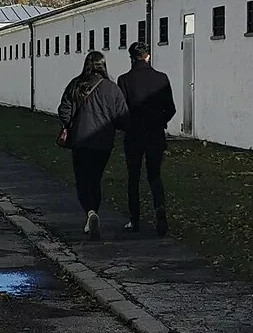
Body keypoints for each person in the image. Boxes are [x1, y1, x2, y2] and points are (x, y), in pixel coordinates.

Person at [56, 49, 127, 240]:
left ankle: (90, 212)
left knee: (82, 179)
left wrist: (69, 124)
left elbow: (64, 109)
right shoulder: (112, 88)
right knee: (95, 178)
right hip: (103, 142)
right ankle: (93, 211)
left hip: (80, 140)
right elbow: (122, 117)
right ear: (103, 65)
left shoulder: (76, 85)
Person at [117, 38, 176, 235]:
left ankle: (134, 219)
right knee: (155, 175)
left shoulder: (124, 80)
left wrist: (126, 126)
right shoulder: (162, 78)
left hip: (133, 135)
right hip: (155, 134)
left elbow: (121, 110)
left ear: (131, 58)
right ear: (148, 57)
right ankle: (159, 208)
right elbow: (171, 108)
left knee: (133, 177)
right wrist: (160, 122)